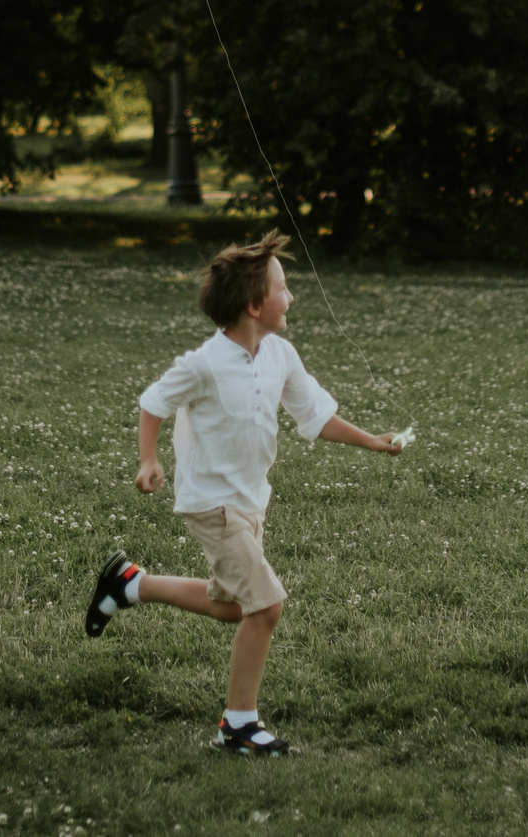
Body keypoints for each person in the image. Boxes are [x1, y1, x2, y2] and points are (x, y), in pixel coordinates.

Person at [82, 230, 402, 756]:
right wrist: (148, 459)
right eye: (282, 288)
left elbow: (314, 415)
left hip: (251, 500)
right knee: (267, 607)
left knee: (234, 608)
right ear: (255, 306)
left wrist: (372, 440)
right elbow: (154, 402)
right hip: (212, 504)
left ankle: (130, 584)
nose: (291, 297)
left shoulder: (280, 355)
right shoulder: (204, 364)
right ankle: (238, 725)